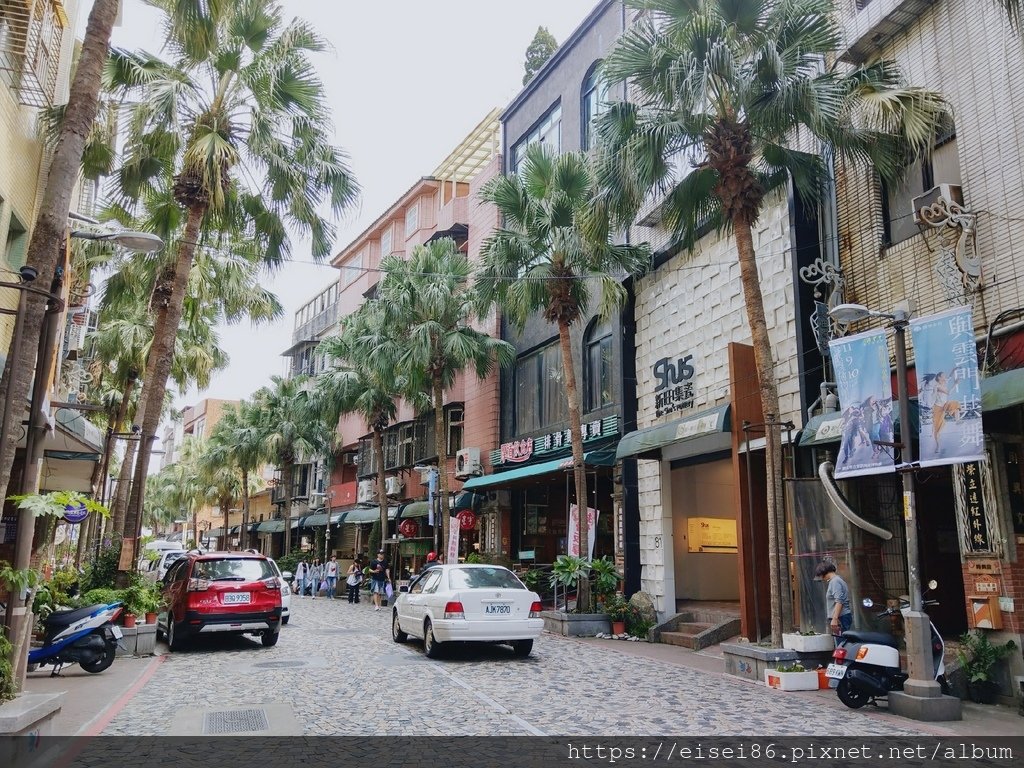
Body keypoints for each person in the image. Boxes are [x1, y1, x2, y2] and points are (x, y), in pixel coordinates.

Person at [815, 561, 852, 645]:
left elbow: (839, 601)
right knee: (842, 644)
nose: (821, 578)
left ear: (824, 572)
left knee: (841, 646)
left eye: (820, 575)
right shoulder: (837, 580)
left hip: (840, 618)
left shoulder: (835, 581)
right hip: (841, 617)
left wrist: (835, 619)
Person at [931, 370, 960, 453]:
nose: (945, 377)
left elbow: (949, 377)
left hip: (945, 404)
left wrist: (954, 370)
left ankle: (957, 420)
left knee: (955, 404)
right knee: (937, 431)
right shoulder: (937, 386)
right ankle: (938, 446)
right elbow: (949, 393)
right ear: (939, 377)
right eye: (943, 376)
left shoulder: (944, 382)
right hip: (938, 408)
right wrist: (955, 384)